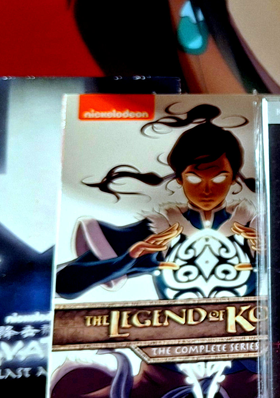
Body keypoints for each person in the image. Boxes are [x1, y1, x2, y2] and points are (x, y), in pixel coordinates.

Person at [55, 102, 259, 300]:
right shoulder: (159, 231)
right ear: (180, 178)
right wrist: (129, 260)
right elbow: (62, 283)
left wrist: (269, 256)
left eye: (219, 178)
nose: (207, 190)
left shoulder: (255, 229)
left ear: (233, 178)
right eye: (194, 179)